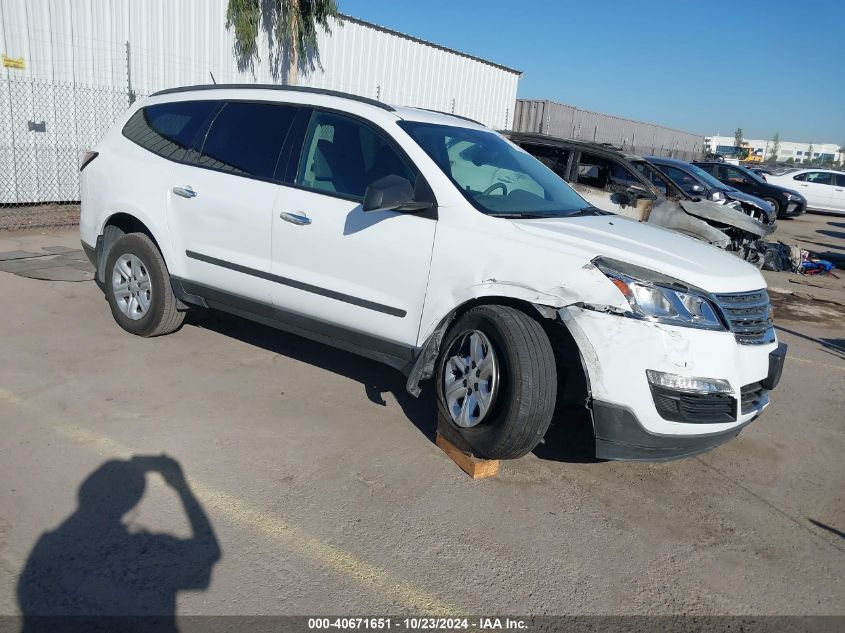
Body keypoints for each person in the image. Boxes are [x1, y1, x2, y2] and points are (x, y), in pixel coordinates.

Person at [17, 455, 221, 632]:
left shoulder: (47, 547)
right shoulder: (143, 553)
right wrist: (182, 487)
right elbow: (209, 550)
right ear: (132, 511)